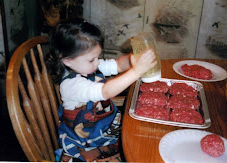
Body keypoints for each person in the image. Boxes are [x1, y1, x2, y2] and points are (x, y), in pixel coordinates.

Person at [45, 17, 157, 161]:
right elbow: (106, 91)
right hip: (86, 140)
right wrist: (136, 71)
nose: (97, 63)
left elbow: (117, 65)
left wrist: (133, 59)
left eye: (98, 57)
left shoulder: (87, 66)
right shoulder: (70, 86)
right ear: (67, 60)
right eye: (92, 59)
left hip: (106, 128)